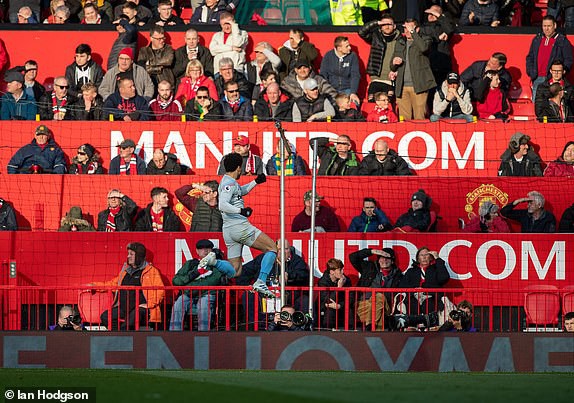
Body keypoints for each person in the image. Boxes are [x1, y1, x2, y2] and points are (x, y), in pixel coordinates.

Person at [217, 152, 278, 298]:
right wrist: (241, 211)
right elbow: (222, 204)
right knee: (272, 248)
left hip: (228, 230)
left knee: (235, 270)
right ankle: (261, 281)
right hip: (240, 227)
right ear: (238, 167)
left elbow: (239, 192)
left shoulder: (228, 182)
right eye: (241, 168)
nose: (242, 170)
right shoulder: (228, 184)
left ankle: (214, 261)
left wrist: (255, 182)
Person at [92, 242, 165, 331]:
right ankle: (117, 336)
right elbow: (113, 284)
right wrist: (94, 286)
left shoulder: (152, 271)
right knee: (105, 316)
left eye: (131, 254)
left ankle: (123, 338)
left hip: (140, 310)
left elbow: (160, 291)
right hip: (123, 308)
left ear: (139, 256)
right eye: (128, 254)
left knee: (129, 323)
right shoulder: (126, 271)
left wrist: (149, 304)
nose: (128, 256)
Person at [170, 239, 235, 331]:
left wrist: (190, 286)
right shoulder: (191, 264)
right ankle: (174, 334)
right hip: (190, 293)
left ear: (212, 250)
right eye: (201, 248)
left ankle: (203, 334)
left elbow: (214, 281)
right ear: (197, 251)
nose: (205, 251)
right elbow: (176, 281)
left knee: (203, 305)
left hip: (206, 293)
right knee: (178, 305)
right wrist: (192, 275)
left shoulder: (217, 264)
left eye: (208, 248)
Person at [390, 18, 436, 120]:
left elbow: (423, 48)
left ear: (417, 29)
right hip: (402, 87)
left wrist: (413, 32)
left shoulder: (426, 39)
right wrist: (394, 63)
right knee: (404, 119)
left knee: (420, 118)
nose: (406, 31)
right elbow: (392, 65)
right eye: (405, 28)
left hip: (419, 86)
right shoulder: (400, 42)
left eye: (409, 28)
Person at [351, 247, 403, 330]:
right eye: (381, 258)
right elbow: (353, 257)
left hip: (386, 307)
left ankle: (370, 328)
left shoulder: (399, 276)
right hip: (363, 306)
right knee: (378, 309)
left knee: (379, 297)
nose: (384, 261)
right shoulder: (369, 268)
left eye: (387, 258)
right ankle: (375, 333)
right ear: (378, 260)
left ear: (392, 261)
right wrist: (371, 251)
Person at [526, 15, 573, 102]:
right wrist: (531, 72)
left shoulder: (562, 41)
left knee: (554, 106)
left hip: (553, 79)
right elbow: (530, 57)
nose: (546, 29)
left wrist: (562, 72)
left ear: (554, 26)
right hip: (537, 78)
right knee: (537, 107)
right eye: (544, 26)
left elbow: (569, 59)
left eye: (549, 26)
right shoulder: (537, 39)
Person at [358, 13, 401, 102]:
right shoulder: (376, 37)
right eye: (384, 24)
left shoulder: (400, 40)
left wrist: (397, 72)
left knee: (388, 106)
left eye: (389, 24)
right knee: (372, 104)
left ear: (394, 26)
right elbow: (361, 32)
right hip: (376, 78)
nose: (387, 27)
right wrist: (376, 23)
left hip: (390, 80)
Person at [399, 247, 450, 315]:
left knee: (428, 304)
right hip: (414, 296)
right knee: (412, 303)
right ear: (418, 258)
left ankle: (429, 324)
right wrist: (415, 289)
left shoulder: (435, 269)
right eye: (422, 255)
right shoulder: (411, 271)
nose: (424, 257)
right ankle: (413, 324)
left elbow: (444, 278)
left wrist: (437, 259)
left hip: (431, 297)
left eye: (426, 255)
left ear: (431, 258)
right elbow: (402, 285)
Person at [419, 4, 456, 88]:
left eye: (434, 13)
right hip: (427, 65)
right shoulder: (422, 27)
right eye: (430, 13)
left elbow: (450, 28)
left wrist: (439, 16)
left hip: (442, 64)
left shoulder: (444, 26)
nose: (431, 15)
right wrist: (438, 38)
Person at [319, 36, 361, 106]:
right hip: (331, 88)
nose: (349, 48)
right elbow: (323, 74)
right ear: (339, 48)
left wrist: (353, 92)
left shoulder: (352, 56)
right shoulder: (328, 56)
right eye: (347, 46)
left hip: (347, 89)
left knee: (354, 104)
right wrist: (327, 89)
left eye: (349, 45)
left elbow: (355, 75)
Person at [318, 258, 352, 329]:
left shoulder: (346, 280)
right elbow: (327, 300)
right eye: (340, 270)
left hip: (341, 307)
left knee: (349, 310)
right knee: (330, 311)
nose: (342, 272)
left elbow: (351, 298)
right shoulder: (323, 282)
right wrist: (339, 288)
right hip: (325, 309)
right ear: (332, 271)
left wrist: (340, 305)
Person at [137, 25, 175, 90]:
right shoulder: (143, 50)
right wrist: (159, 68)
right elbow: (141, 67)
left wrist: (149, 65)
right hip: (149, 84)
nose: (162, 41)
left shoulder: (168, 48)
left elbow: (168, 61)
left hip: (166, 85)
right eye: (159, 39)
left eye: (163, 38)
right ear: (151, 38)